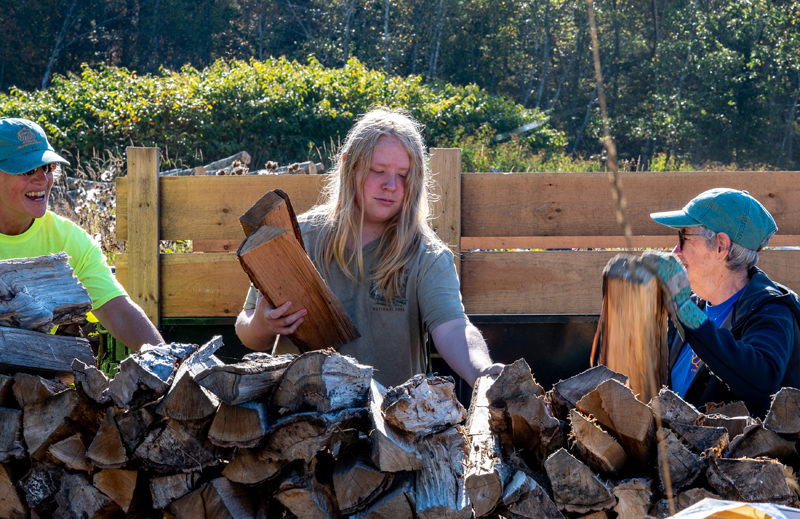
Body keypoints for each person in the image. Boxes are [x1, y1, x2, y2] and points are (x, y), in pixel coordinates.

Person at [236, 108, 503, 388]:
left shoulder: (427, 256)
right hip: (299, 421)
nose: (391, 185)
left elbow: (453, 328)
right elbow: (247, 328)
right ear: (347, 166)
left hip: (392, 422)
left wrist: (482, 371)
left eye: (403, 174)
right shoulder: (297, 238)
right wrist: (262, 325)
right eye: (378, 171)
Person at [0, 117, 163, 352]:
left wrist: (169, 363)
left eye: (47, 167)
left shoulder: (67, 239)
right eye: (27, 170)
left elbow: (117, 311)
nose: (42, 179)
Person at [641, 187, 800, 417]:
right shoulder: (694, 306)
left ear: (721, 245)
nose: (676, 250)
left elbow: (761, 381)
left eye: (683, 237)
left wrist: (683, 309)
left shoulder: (772, 311)